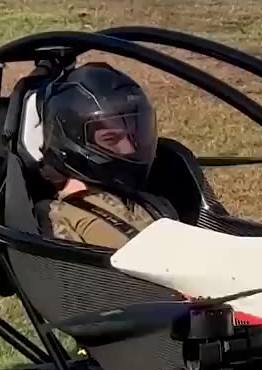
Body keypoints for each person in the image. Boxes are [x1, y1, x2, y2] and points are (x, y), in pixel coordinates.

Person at [29, 62, 171, 248]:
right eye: (111, 139)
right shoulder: (56, 216)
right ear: (70, 139)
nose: (129, 148)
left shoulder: (155, 195)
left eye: (134, 135)